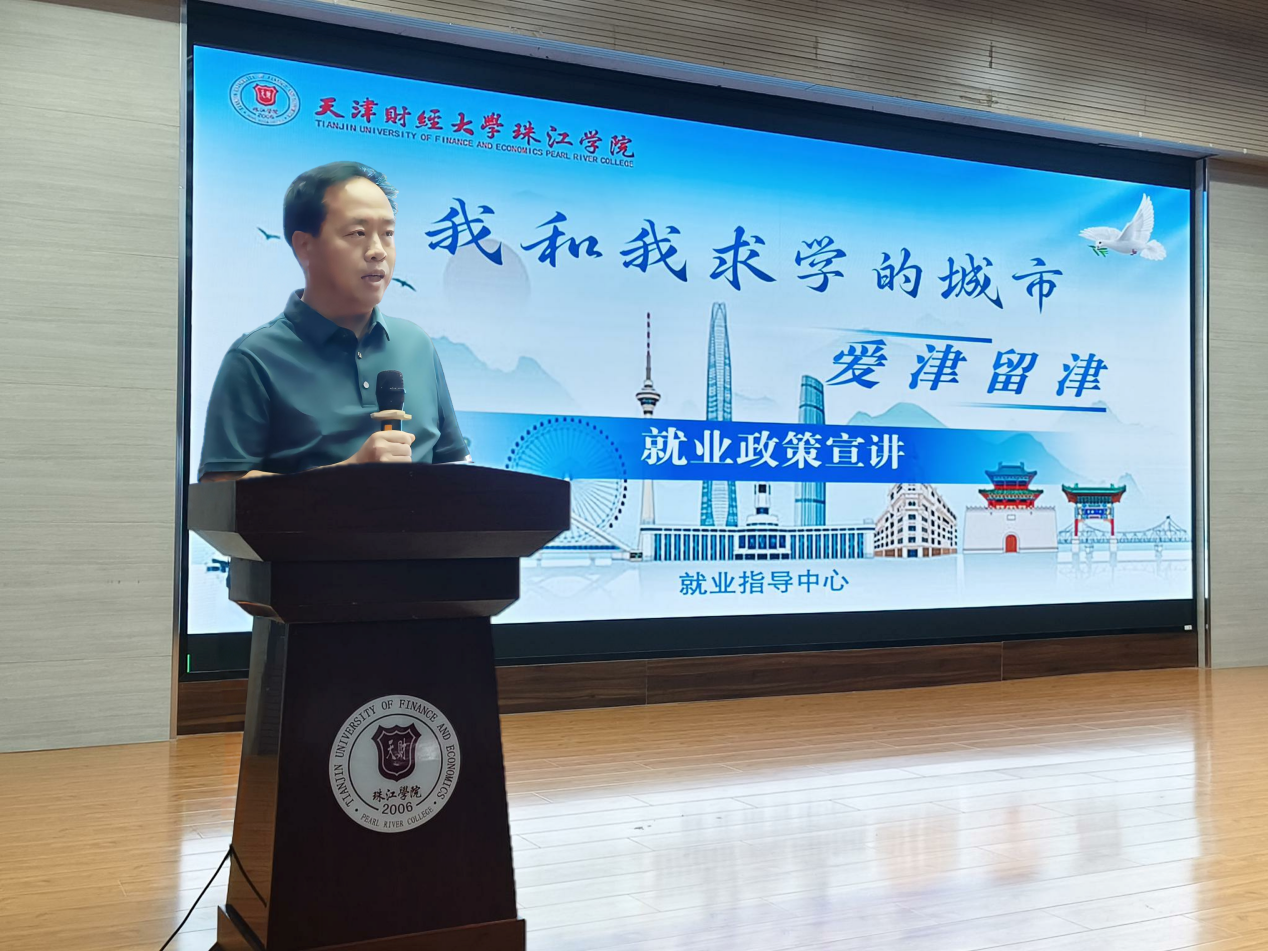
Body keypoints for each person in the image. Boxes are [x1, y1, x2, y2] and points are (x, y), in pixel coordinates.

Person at [199, 161, 467, 482]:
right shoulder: (255, 357)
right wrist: (348, 473)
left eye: (388, 234)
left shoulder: (417, 344)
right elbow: (221, 489)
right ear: (305, 247)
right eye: (358, 233)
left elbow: (456, 467)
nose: (378, 251)